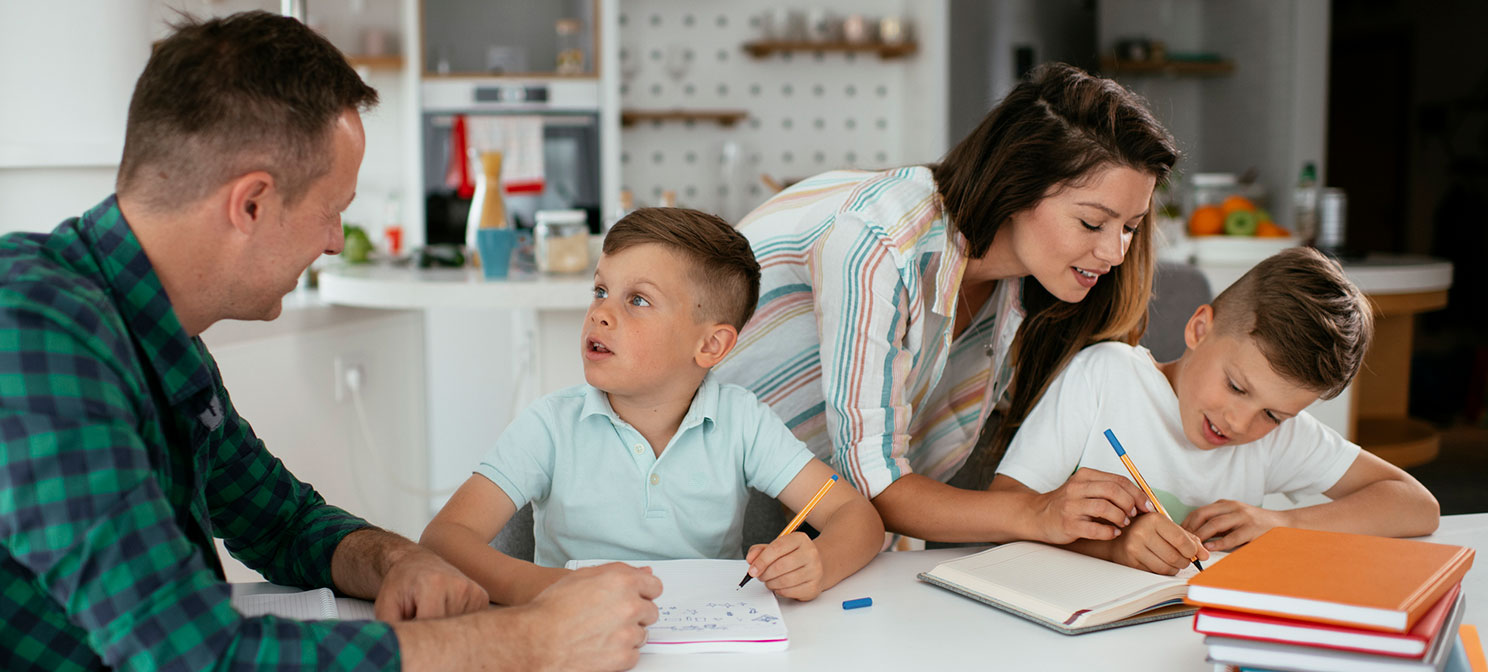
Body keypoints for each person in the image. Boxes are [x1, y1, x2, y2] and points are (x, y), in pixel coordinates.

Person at [0, 12, 660, 672]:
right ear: (251, 202)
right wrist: (537, 637)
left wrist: (397, 559)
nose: (332, 241)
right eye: (332, 210)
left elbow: (280, 519)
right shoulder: (22, 334)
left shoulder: (150, 327)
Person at [713, 63, 1178, 545]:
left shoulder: (1027, 282)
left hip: (852, 503)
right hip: (729, 484)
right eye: (1091, 223)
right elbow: (874, 484)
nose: (1115, 253)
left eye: (1130, 226)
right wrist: (1038, 514)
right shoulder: (879, 241)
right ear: (1017, 185)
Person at [419, 208, 885, 605]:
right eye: (600, 291)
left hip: (708, 647)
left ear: (710, 345)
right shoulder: (549, 425)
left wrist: (818, 563)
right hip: (572, 640)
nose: (600, 313)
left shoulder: (743, 421)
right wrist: (555, 588)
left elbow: (857, 518)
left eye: (637, 300)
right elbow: (443, 540)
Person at [993, 247, 1440, 574]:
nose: (1240, 423)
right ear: (1199, 328)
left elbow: (1416, 505)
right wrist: (1116, 547)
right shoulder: (1105, 377)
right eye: (1236, 386)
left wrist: (1283, 522)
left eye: (1273, 415)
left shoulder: (1279, 438)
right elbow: (1006, 509)